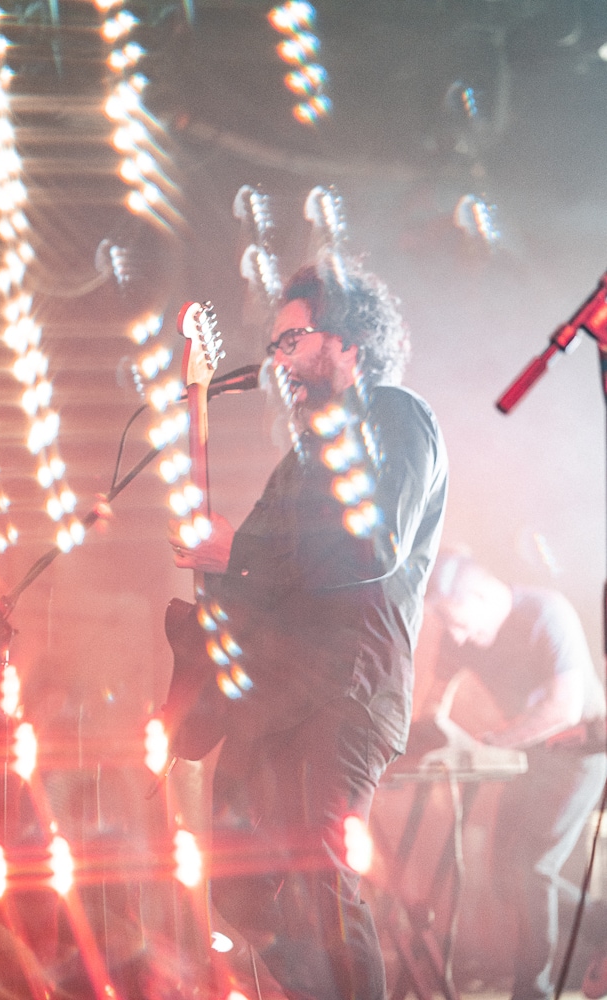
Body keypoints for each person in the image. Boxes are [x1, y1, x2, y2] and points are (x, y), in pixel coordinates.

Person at [168, 257, 449, 1000]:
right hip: (281, 696)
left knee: (320, 880)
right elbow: (248, 582)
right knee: (234, 871)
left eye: (290, 341)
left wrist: (240, 551)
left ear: (349, 342)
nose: (278, 361)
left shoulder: (394, 417)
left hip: (346, 688)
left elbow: (369, 543)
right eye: (273, 348)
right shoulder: (299, 462)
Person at [425, 551, 607, 1000]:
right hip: (529, 758)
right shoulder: (458, 637)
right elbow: (433, 706)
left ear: (483, 595)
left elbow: (563, 708)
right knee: (506, 872)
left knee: (532, 869)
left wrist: (487, 745)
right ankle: (603, 925)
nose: (455, 635)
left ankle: (535, 992)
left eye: (457, 619)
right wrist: (419, 740)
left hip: (582, 753)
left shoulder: (545, 612)